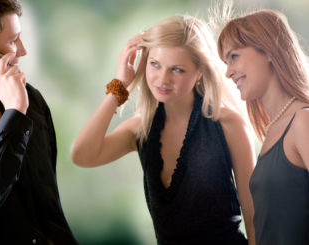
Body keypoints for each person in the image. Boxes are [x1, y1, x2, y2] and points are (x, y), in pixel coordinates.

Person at [71, 15, 255, 244]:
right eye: (155, 64)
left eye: (177, 70)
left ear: (199, 72)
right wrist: (119, 84)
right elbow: (82, 155)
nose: (162, 79)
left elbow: (254, 215)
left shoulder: (228, 124)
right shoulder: (141, 128)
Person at [0, 0, 78, 244]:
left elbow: (49, 205)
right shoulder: (21, 106)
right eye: (13, 41)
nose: (23, 50)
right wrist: (14, 114)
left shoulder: (31, 101)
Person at [218, 9, 309, 245]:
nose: (228, 72)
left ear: (268, 50)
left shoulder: (302, 121)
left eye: (234, 56)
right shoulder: (272, 131)